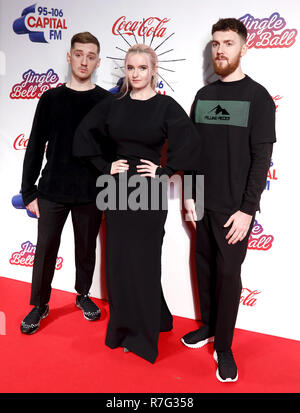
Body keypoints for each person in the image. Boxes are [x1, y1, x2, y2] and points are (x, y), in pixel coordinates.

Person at [73, 44, 201, 363]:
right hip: (115, 188)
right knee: (117, 263)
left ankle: (143, 337)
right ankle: (124, 328)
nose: (136, 73)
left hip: (149, 189)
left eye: (142, 68)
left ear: (153, 70)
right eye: (131, 68)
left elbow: (192, 145)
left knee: (143, 263)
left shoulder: (165, 106)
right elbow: (83, 136)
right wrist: (105, 166)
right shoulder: (113, 105)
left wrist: (166, 170)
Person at [182, 18, 276, 382]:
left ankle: (223, 346)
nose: (220, 50)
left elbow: (261, 160)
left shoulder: (258, 97)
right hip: (202, 201)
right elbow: (191, 151)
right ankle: (207, 326)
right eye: (216, 44)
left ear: (243, 48)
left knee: (228, 274)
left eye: (228, 43)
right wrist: (190, 193)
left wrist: (247, 210)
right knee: (203, 266)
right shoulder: (203, 96)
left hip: (234, 208)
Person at [20, 32, 111, 334]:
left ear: (97, 61)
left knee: (86, 249)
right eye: (79, 54)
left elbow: (114, 149)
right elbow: (34, 145)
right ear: (69, 57)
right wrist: (28, 190)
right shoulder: (51, 98)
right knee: (45, 248)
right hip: (52, 190)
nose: (84, 60)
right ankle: (39, 304)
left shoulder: (105, 101)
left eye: (91, 55)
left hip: (90, 191)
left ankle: (83, 295)